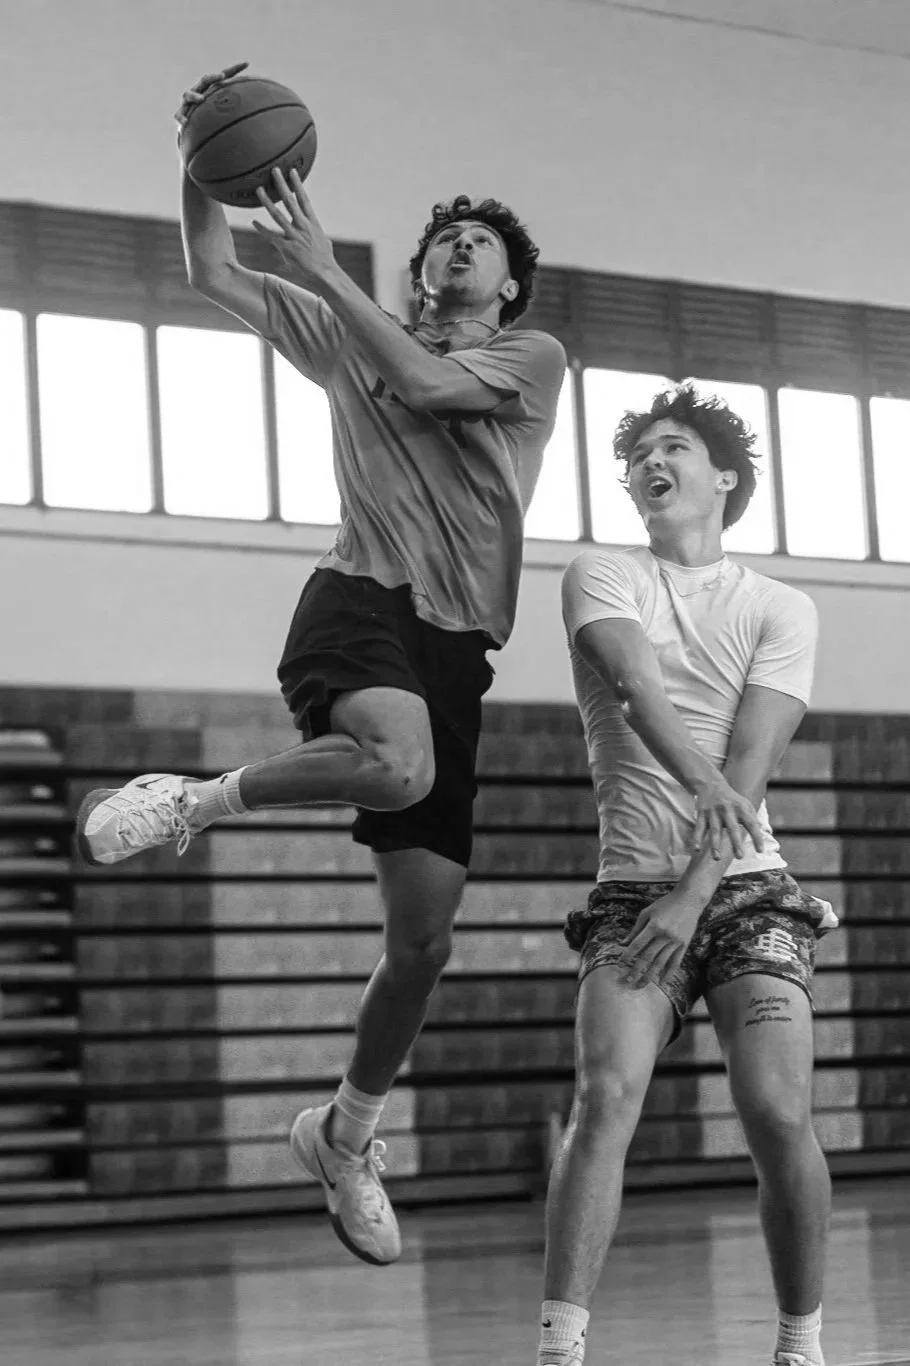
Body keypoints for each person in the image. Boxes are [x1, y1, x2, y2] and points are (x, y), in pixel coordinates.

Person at [74, 61, 568, 1267]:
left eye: (475, 243)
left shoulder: (529, 359)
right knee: (393, 766)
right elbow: (209, 267)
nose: (455, 248)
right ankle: (185, 803)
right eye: (441, 238)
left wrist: (331, 274)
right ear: (417, 269)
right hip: (360, 595)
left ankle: (343, 1133)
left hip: (459, 642)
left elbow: (424, 380)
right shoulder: (353, 327)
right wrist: (196, 154)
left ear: (507, 287)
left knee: (422, 942)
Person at [540, 383, 838, 1366]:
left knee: (777, 1111)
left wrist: (694, 889)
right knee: (604, 1096)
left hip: (745, 890)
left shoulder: (779, 606)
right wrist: (696, 817)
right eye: (637, 457)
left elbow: (750, 768)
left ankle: (800, 1345)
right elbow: (631, 685)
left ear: (725, 476)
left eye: (673, 448)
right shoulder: (600, 572)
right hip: (631, 895)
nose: (649, 465)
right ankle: (559, 1348)